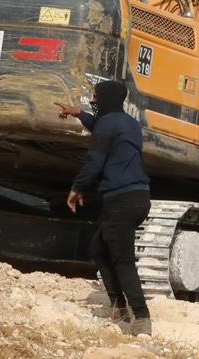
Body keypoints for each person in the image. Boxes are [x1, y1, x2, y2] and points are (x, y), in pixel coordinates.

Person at [61, 81, 152, 334]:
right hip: (139, 197)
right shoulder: (129, 123)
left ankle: (142, 318)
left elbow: (95, 161)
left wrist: (77, 188)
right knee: (99, 249)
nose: (93, 100)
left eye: (95, 97)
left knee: (123, 260)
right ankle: (118, 309)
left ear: (106, 99)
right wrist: (79, 114)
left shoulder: (108, 124)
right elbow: (102, 127)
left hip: (120, 200)